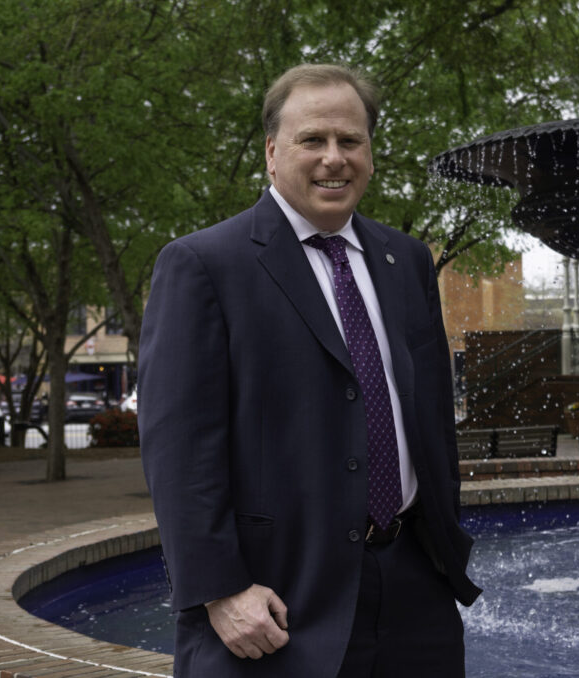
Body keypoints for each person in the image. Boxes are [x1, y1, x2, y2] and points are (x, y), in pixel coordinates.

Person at [138, 64, 480, 678]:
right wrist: (221, 590)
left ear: (370, 153)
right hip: (273, 605)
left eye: (350, 141)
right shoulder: (203, 264)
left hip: (414, 594)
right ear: (273, 153)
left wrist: (445, 545)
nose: (334, 158)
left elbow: (430, 419)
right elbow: (180, 447)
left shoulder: (407, 261)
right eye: (312, 140)